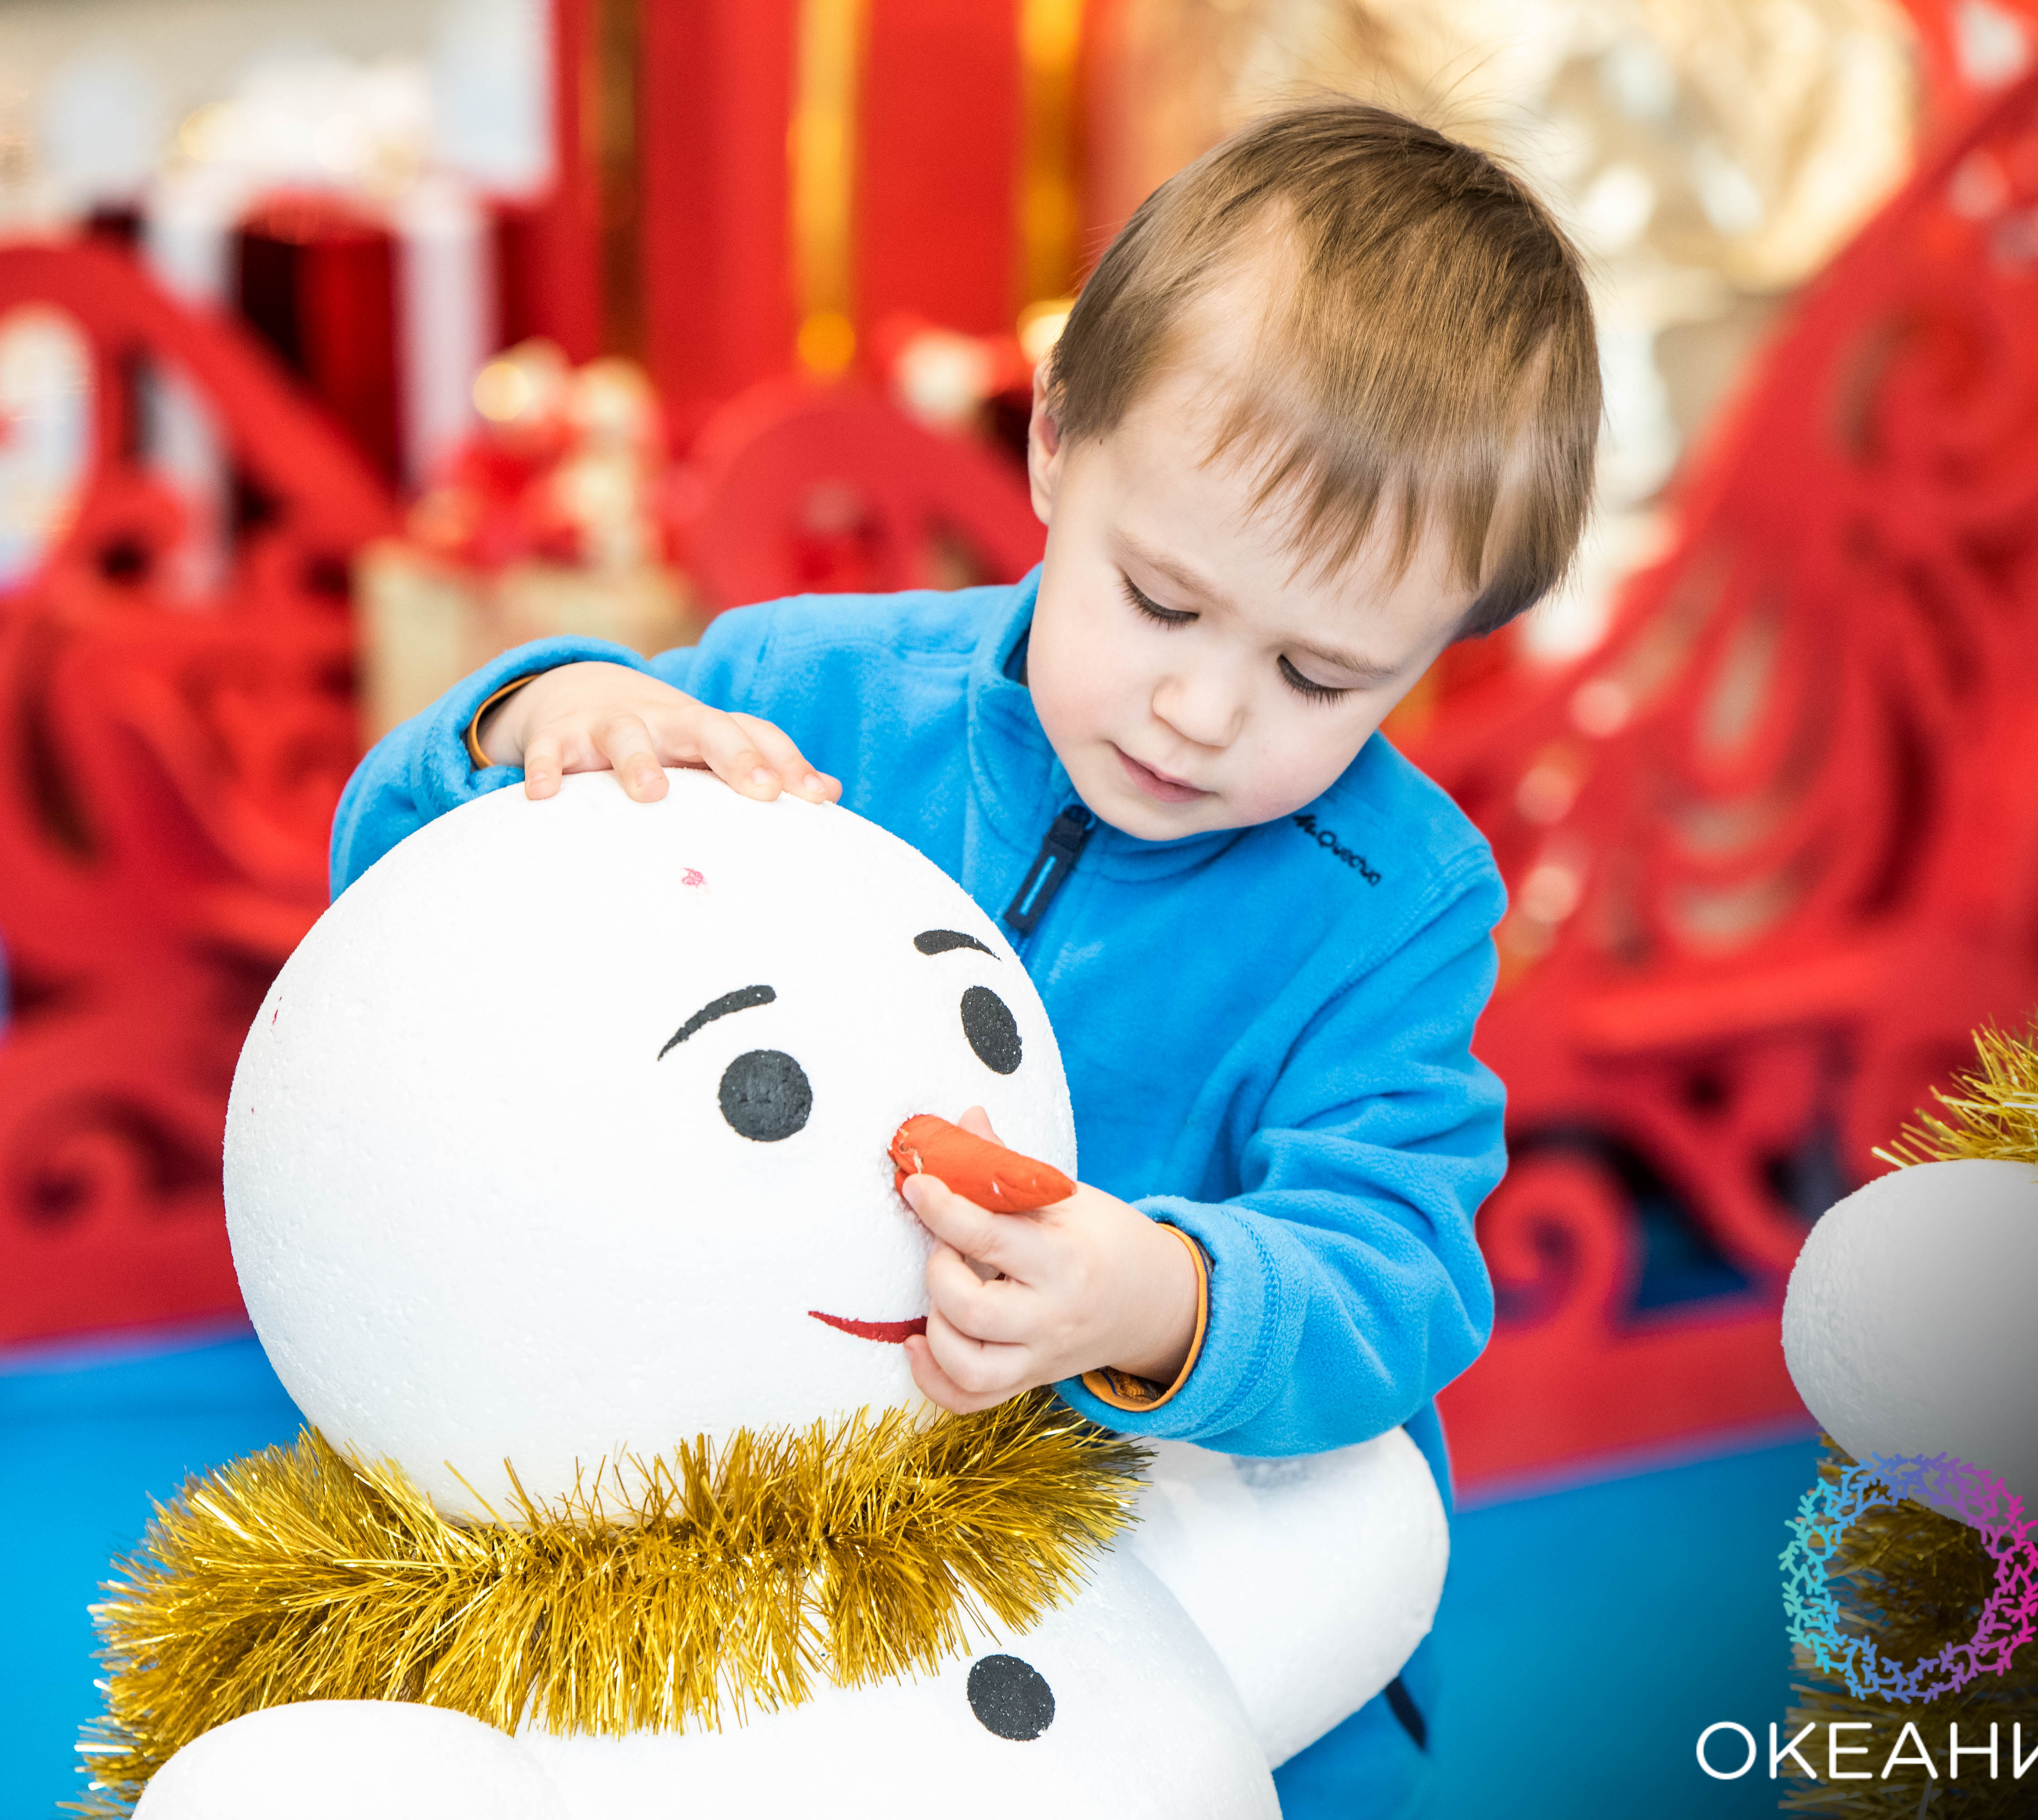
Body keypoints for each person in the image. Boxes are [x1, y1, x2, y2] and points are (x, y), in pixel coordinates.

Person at [329, 101, 1599, 1817]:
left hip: (1117, 1547)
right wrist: (533, 718)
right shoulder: (806, 688)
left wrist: (1157, 1298)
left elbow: (1404, 1274)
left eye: (1323, 678)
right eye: (1161, 601)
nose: (1201, 710)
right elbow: (392, 910)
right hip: (713, 1451)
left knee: (1341, 1548)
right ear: (1058, 443)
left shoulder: (1397, 900)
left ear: (1447, 638)